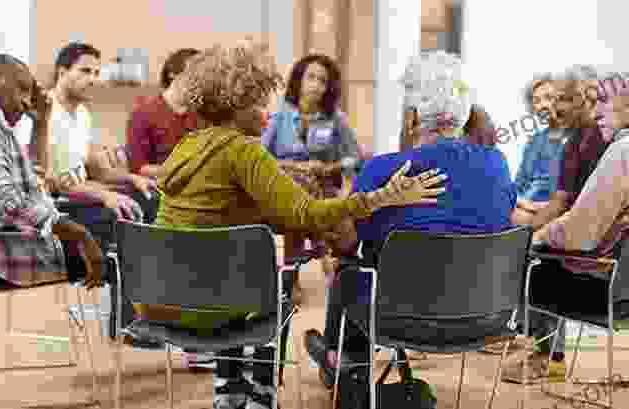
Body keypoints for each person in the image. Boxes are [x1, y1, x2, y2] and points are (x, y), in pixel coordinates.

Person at [141, 41, 446, 409]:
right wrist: (383, 198)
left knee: (239, 275)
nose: (268, 112)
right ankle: (260, 396)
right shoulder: (243, 151)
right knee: (274, 290)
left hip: (160, 299)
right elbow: (307, 214)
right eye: (258, 101)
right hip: (212, 309)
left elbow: (216, 209)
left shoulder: (186, 147)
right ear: (234, 104)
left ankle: (230, 390)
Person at [303, 50, 517, 388]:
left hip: (399, 319)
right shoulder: (497, 164)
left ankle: (342, 357)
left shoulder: (383, 169)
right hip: (484, 318)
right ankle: (342, 357)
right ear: (463, 116)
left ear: (412, 117)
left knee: (348, 271)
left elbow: (346, 242)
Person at [502, 65, 612, 383]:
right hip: (599, 247)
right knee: (529, 246)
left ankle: (539, 349)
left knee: (532, 257)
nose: (554, 105)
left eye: (561, 98)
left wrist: (534, 234)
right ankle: (539, 347)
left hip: (588, 251)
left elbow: (563, 203)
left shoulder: (590, 140)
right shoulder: (593, 139)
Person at [0, 54, 103, 290]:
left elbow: (35, 182)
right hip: (9, 252)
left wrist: (42, 122)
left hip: (17, 243)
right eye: (22, 90)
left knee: (116, 231)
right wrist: (76, 232)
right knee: (125, 244)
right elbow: (3, 202)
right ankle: (138, 325)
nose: (27, 102)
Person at [261, 54, 361, 305]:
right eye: (311, 77)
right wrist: (297, 166)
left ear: (329, 87)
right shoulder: (280, 117)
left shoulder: (336, 119)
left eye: (323, 80)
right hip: (284, 187)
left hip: (320, 189)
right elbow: (260, 158)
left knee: (298, 204)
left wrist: (329, 168)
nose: (316, 84)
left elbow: (355, 158)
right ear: (299, 81)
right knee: (297, 188)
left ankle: (291, 279)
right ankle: (322, 250)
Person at [39, 42, 155, 226]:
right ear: (62, 72)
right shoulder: (43, 111)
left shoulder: (82, 114)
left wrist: (132, 178)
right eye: (85, 71)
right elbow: (53, 181)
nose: (92, 79)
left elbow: (89, 170)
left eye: (96, 73)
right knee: (126, 214)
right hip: (55, 204)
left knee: (147, 198)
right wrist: (105, 195)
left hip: (78, 195)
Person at [126, 48, 200, 179]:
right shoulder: (143, 113)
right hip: (160, 190)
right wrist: (181, 172)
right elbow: (138, 168)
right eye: (193, 73)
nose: (198, 80)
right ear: (173, 73)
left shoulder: (202, 114)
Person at [512, 73, 566, 225]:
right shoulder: (534, 141)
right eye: (536, 101)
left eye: (548, 98)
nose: (542, 105)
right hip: (526, 207)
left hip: (550, 211)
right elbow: (518, 184)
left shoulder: (577, 138)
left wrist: (538, 207)